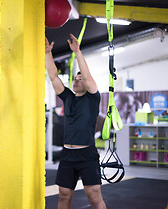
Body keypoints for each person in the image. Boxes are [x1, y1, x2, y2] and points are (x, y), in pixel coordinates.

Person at [45, 34, 106, 209]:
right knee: (64, 195)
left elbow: (87, 77)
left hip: (87, 155)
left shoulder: (93, 97)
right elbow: (54, 77)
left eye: (80, 79)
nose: (77, 81)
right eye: (75, 79)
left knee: (93, 196)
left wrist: (77, 52)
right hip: (67, 155)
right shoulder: (68, 97)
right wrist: (47, 54)